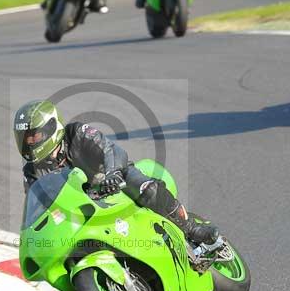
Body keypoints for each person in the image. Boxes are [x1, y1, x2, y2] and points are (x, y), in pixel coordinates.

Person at [14, 100, 219, 249]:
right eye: (26, 139)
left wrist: (112, 173)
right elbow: (38, 206)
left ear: (53, 127)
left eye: (35, 137)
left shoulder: (76, 133)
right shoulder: (32, 172)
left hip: (114, 180)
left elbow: (109, 150)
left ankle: (191, 229)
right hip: (82, 206)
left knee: (147, 190)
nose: (30, 143)